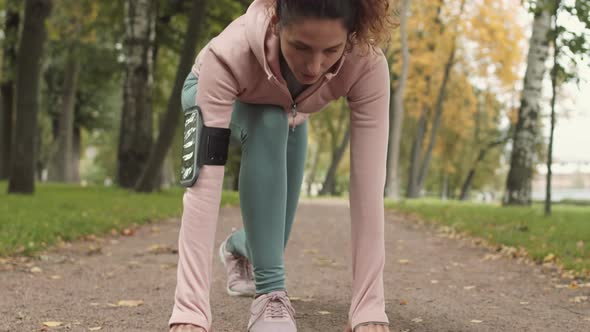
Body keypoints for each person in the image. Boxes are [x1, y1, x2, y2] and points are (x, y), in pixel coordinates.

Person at [169, 0, 397, 331]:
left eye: (331, 50)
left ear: (351, 36)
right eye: (301, 47)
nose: (314, 67)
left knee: (273, 238)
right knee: (269, 121)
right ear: (277, 23)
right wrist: (189, 312)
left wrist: (368, 308)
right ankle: (270, 298)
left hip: (290, 110)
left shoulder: (367, 64)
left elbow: (368, 189)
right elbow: (202, 188)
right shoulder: (228, 54)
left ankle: (238, 248)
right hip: (213, 92)